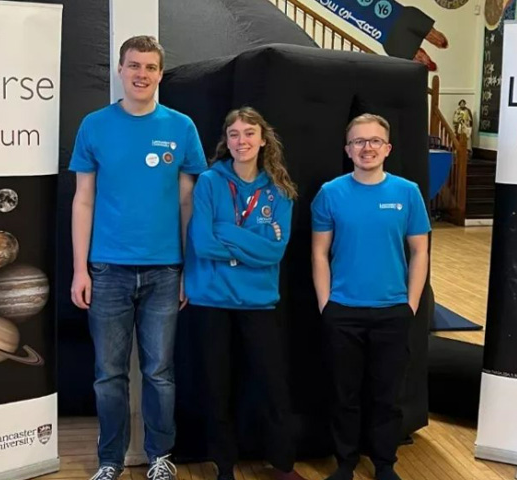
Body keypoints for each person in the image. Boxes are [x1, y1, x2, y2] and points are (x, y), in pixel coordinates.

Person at [68, 35, 208, 480]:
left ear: (160, 74)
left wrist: (190, 267)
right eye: (133, 66)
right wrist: (79, 269)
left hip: (166, 271)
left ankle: (159, 457)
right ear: (120, 70)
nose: (141, 74)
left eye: (149, 67)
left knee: (159, 372)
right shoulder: (94, 125)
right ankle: (109, 460)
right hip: (107, 269)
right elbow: (83, 201)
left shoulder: (181, 127)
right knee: (108, 374)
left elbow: (189, 204)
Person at [183, 107, 307, 480]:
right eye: (234, 134)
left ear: (263, 139)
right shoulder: (209, 181)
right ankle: (224, 467)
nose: (242, 141)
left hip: (258, 301)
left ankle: (283, 465)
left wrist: (227, 231)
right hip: (210, 299)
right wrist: (250, 244)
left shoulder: (279, 189)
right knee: (218, 386)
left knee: (272, 385)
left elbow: (275, 251)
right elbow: (203, 243)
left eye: (249, 133)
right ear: (227, 141)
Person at [310, 114, 430, 480]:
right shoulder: (330, 193)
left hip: (392, 312)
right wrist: (326, 305)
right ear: (348, 150)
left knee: (386, 396)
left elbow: (420, 252)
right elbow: (319, 253)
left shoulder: (407, 192)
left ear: (388, 148)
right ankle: (345, 463)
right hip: (343, 311)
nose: (367, 148)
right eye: (359, 141)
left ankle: (384, 464)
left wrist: (409, 305)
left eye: (375, 141)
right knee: (344, 395)